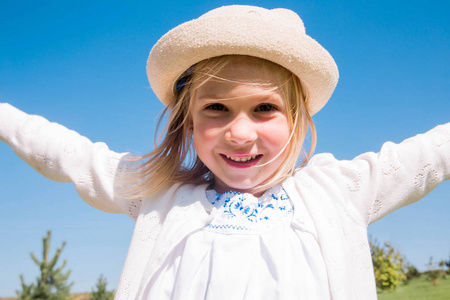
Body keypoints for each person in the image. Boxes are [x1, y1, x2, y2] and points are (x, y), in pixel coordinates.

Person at [0, 4, 448, 300]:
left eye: (264, 109)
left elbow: (429, 154)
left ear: (297, 120)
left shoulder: (339, 192)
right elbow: (67, 153)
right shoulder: (159, 196)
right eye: (216, 108)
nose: (240, 132)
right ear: (188, 121)